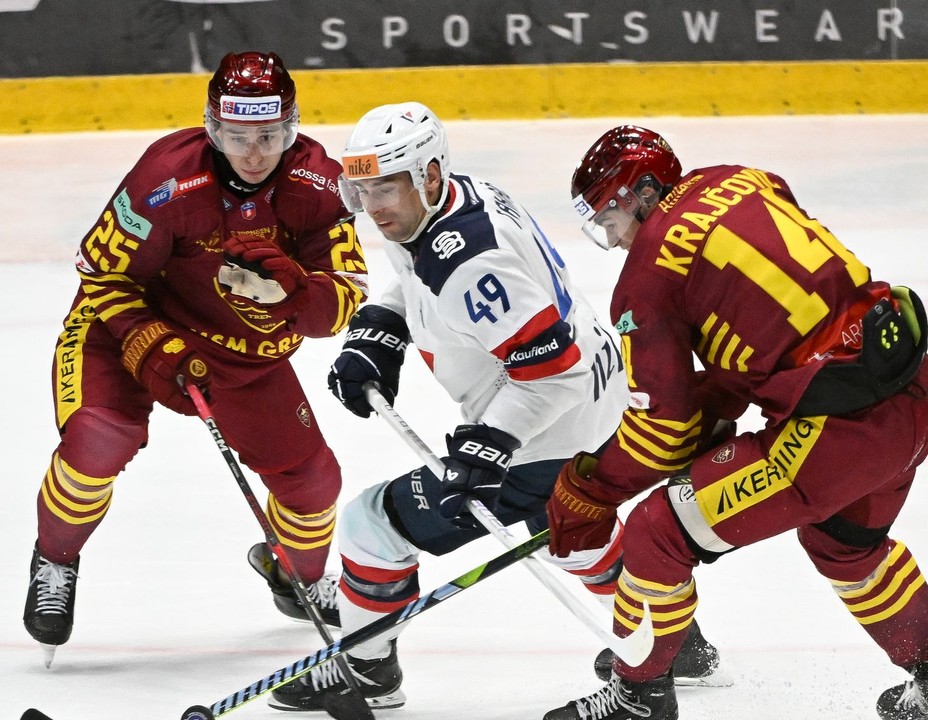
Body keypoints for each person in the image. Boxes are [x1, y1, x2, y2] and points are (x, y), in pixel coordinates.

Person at [268, 102, 723, 716]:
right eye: (362, 189)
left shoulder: (471, 263)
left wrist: (491, 446)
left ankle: (367, 668)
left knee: (370, 525)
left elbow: (550, 369)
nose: (373, 208)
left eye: (386, 189)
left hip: (550, 427)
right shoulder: (453, 201)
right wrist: (383, 323)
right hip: (598, 399)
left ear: (428, 175)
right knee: (570, 534)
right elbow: (422, 273)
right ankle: (675, 641)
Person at [542, 125, 928, 720]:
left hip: (836, 432)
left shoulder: (645, 282)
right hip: (911, 391)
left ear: (645, 191)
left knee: (658, 530)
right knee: (844, 543)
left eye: (611, 219)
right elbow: (774, 316)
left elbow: (663, 432)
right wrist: (715, 407)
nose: (611, 240)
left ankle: (638, 699)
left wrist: (589, 487)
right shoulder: (740, 178)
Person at [22, 51, 369, 666]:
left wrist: (295, 292)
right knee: (100, 439)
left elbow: (341, 305)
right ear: (214, 128)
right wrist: (148, 342)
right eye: (238, 136)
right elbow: (102, 277)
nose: (255, 153)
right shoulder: (165, 178)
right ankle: (56, 557)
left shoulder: (318, 183)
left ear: (291, 128)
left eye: (269, 135)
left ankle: (295, 573)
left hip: (240, 351)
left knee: (314, 485)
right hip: (125, 325)